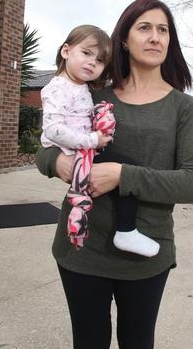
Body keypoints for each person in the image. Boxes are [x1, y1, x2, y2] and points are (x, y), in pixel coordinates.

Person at [36, 0, 193, 349]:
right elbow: (46, 146)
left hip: (145, 253)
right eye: (144, 27)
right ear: (124, 40)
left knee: (137, 342)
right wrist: (58, 164)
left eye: (163, 30)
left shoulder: (182, 107)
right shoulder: (92, 94)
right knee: (88, 342)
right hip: (81, 249)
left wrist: (120, 175)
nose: (155, 37)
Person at [41, 24, 160, 257]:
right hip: (77, 151)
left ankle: (123, 230)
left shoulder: (81, 87)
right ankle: (125, 231)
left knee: (125, 171)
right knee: (128, 168)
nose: (92, 63)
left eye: (100, 61)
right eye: (86, 53)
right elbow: (53, 130)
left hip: (84, 149)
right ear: (66, 51)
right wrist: (92, 140)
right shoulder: (56, 89)